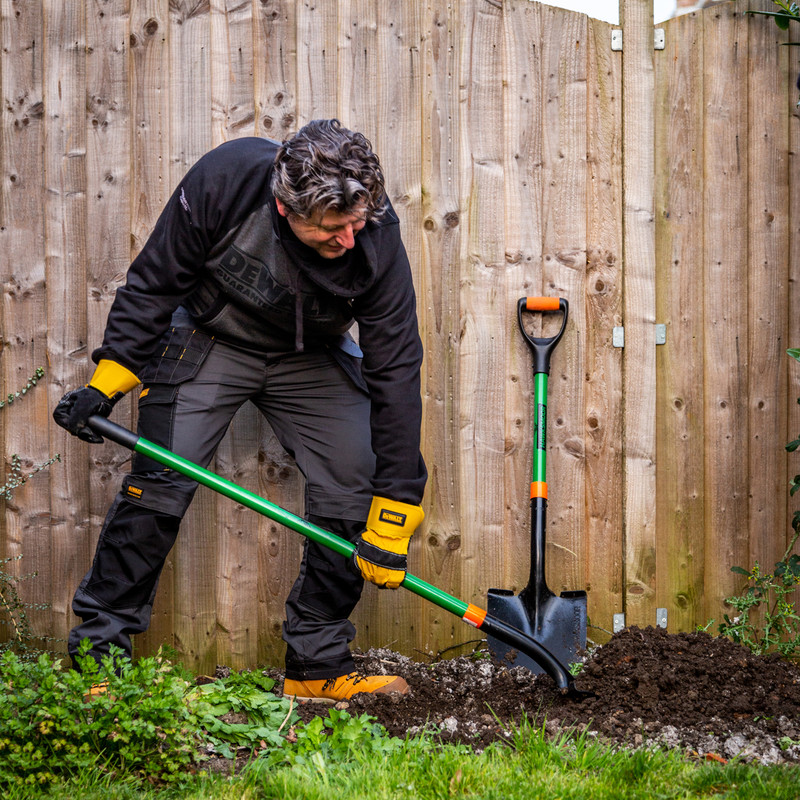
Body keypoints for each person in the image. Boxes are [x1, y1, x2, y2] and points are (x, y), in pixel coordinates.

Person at [53, 119, 427, 702]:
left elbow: (396, 363)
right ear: (285, 208)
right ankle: (99, 659)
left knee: (359, 479)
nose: (349, 240)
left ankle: (316, 666)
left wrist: (397, 501)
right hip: (210, 338)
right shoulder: (227, 180)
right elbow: (153, 284)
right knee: (159, 486)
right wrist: (107, 384)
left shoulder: (373, 231)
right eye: (332, 229)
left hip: (310, 354)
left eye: (357, 223)